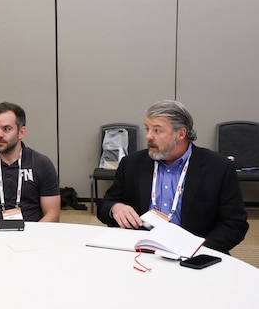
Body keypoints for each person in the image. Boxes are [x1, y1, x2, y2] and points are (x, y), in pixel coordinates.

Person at [97, 100, 248, 254]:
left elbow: (235, 223)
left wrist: (200, 250)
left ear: (181, 133)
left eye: (157, 130)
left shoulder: (218, 167)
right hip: (141, 250)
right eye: (147, 129)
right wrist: (115, 208)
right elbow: (105, 205)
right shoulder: (132, 163)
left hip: (193, 253)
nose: (148, 136)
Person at [0, 102, 60, 223]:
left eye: (6, 129)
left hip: (31, 235)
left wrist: (31, 239)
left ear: (21, 132)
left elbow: (52, 214)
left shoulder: (42, 164)